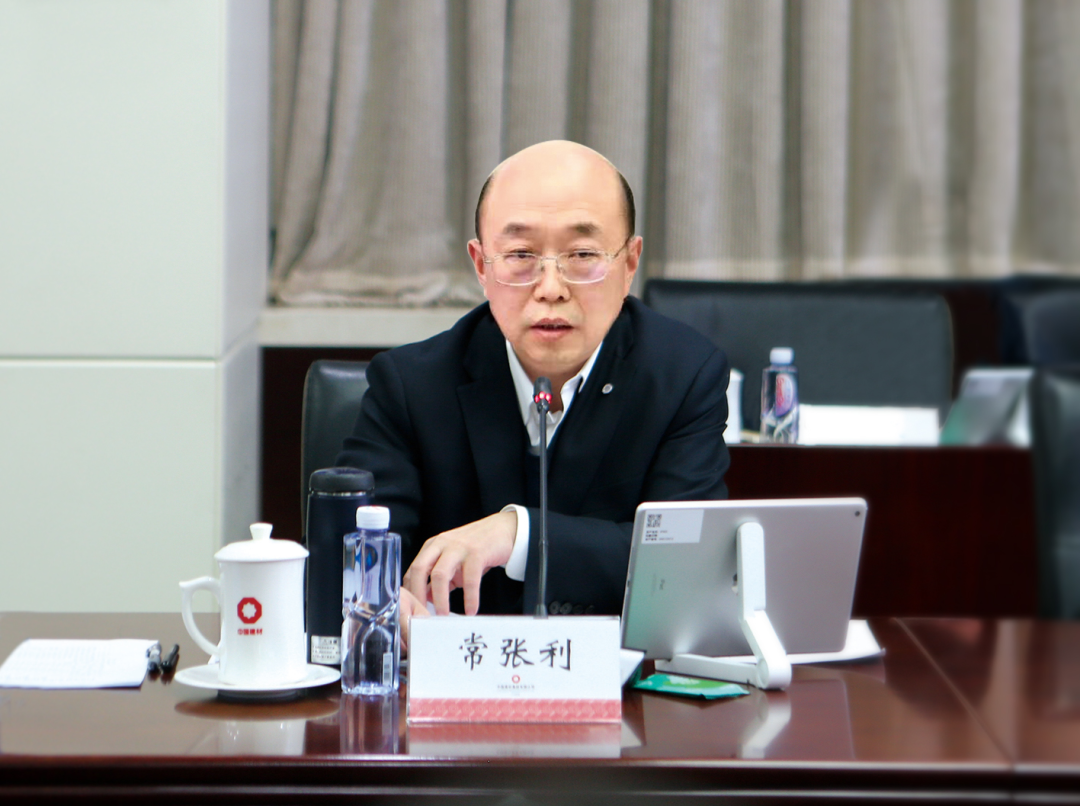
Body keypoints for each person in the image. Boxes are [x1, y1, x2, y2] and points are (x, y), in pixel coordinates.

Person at [337, 140, 730, 627]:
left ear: (630, 263)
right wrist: (380, 601)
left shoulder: (682, 375)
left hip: (618, 670)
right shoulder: (411, 385)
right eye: (520, 255)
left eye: (582, 254)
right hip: (457, 667)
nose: (550, 289)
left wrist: (518, 535)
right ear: (481, 265)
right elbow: (352, 554)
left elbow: (686, 564)